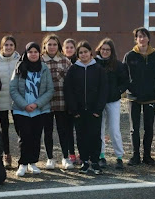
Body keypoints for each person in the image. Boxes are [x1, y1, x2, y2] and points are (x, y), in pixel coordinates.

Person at [9, 42, 53, 177]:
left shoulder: (44, 68)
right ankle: (23, 163)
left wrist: (36, 104)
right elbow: (13, 89)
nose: (33, 54)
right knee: (24, 137)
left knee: (35, 136)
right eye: (30, 52)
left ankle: (32, 163)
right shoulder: (19, 67)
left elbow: (50, 90)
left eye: (35, 52)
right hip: (21, 110)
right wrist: (24, 105)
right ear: (26, 53)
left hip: (39, 110)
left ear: (39, 53)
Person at [65, 41, 107, 175]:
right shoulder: (73, 69)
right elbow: (68, 90)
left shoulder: (98, 68)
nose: (83, 54)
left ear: (91, 53)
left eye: (85, 52)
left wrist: (98, 109)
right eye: (81, 52)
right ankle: (84, 161)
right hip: (79, 111)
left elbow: (103, 90)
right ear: (78, 55)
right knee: (81, 136)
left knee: (95, 136)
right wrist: (74, 110)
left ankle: (95, 161)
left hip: (94, 110)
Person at [122, 27, 155, 166]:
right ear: (136, 39)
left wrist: (154, 88)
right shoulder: (129, 56)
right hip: (134, 97)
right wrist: (132, 89)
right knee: (134, 128)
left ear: (148, 38)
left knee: (149, 127)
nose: (142, 39)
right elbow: (124, 76)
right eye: (139, 36)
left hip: (150, 97)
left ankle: (147, 156)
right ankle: (135, 156)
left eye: (144, 36)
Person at [41, 34, 74, 170]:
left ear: (58, 46)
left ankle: (65, 157)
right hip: (46, 102)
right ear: (45, 46)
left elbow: (71, 83)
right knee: (48, 131)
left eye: (54, 44)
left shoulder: (65, 61)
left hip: (62, 101)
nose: (52, 47)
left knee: (63, 130)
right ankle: (50, 158)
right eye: (49, 44)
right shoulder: (40, 61)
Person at [95, 38, 128, 170]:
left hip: (113, 101)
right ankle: (101, 156)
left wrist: (118, 91)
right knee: (99, 129)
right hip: (98, 102)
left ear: (111, 51)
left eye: (108, 49)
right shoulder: (94, 64)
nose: (105, 52)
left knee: (114, 130)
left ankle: (119, 157)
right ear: (99, 49)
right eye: (103, 49)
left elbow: (125, 81)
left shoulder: (118, 65)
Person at [0, 35, 21, 168]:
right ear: (2, 47)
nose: (8, 47)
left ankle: (23, 156)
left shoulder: (20, 61)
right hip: (1, 100)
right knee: (4, 129)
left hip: (17, 100)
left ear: (15, 47)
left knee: (20, 128)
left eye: (11, 45)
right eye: (6, 45)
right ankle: (7, 155)